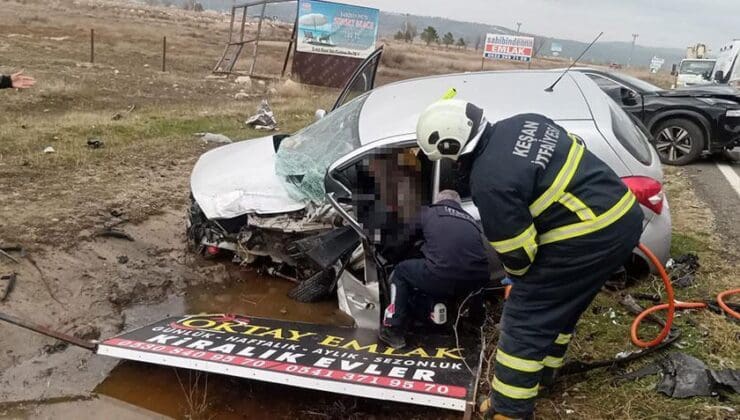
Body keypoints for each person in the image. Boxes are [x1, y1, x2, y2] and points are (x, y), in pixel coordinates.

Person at [415, 98, 643, 419]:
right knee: (564, 305)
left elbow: (519, 254)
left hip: (587, 235)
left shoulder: (490, 182)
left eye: (448, 158)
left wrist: (517, 280)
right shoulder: (525, 121)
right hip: (622, 216)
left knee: (524, 318)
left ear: (454, 146)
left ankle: (509, 409)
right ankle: (545, 376)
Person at [379, 189, 490, 350]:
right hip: (477, 281)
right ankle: (475, 324)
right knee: (469, 275)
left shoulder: (429, 212)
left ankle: (393, 329)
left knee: (402, 271)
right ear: (459, 205)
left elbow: (404, 239)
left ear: (437, 201)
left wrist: (390, 255)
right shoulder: (470, 219)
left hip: (442, 274)